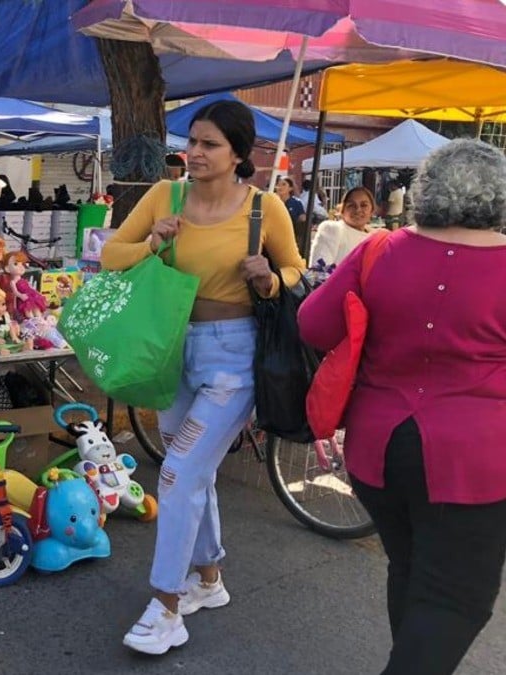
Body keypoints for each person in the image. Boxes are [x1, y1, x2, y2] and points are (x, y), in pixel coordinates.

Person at [99, 100, 304, 656]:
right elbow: (109, 253)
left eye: (209, 144)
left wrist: (268, 278)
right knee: (191, 472)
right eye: (191, 141)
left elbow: (296, 270)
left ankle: (166, 606)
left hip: (234, 357)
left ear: (239, 153)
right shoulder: (165, 196)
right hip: (169, 346)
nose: (194, 153)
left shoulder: (266, 208)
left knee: (178, 471)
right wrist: (151, 242)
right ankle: (208, 580)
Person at [298, 139, 506, 675]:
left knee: (410, 570)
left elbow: (314, 325)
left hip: (379, 450)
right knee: (456, 600)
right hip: (475, 463)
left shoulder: (377, 250)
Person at [308, 186, 375, 267]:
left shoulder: (376, 236)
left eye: (364, 205)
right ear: (342, 210)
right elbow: (320, 271)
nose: (358, 210)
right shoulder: (333, 229)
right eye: (351, 205)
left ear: (372, 211)